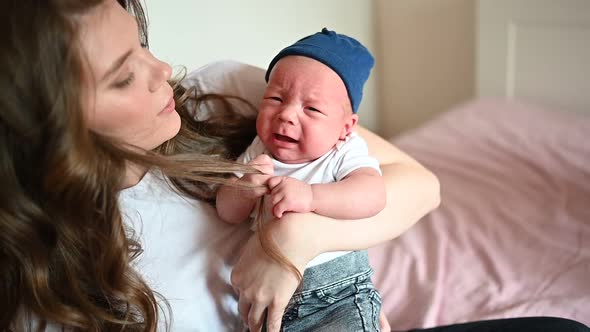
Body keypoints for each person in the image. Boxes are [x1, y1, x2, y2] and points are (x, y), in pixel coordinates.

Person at [1, 1, 588, 332]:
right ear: (46, 125)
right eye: (125, 74)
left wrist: (297, 235)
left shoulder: (223, 94)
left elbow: (419, 186)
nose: (164, 70)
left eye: (143, 44)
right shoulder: (54, 290)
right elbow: (232, 203)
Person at [217, 28, 386, 331]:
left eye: (312, 108)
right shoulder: (259, 149)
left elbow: (373, 195)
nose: (287, 115)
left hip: (338, 295)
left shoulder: (342, 151)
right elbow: (226, 213)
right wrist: (242, 190)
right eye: (276, 98)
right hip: (269, 299)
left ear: (345, 127)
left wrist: (312, 197)